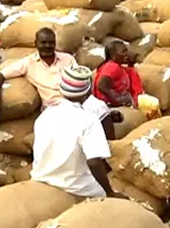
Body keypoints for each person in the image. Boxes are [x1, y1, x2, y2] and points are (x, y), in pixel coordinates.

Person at [30, 65, 119, 199]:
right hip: (76, 187)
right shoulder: (88, 120)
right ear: (88, 92)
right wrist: (110, 192)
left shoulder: (45, 115)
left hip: (41, 177)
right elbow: (94, 161)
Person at [0, 28, 76, 120]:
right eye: (43, 43)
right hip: (53, 110)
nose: (48, 46)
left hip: (76, 105)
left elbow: (82, 79)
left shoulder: (68, 59)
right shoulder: (28, 63)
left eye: (51, 42)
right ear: (35, 44)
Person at [93, 39, 143, 108]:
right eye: (124, 51)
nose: (127, 53)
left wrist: (131, 63)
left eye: (126, 50)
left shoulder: (115, 65)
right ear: (113, 56)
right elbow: (101, 85)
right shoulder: (112, 67)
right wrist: (118, 99)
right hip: (110, 103)